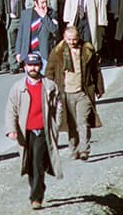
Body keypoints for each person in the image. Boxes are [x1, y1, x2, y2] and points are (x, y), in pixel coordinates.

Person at [4, 52, 63, 210]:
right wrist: (11, 129)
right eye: (30, 65)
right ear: (24, 67)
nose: (33, 68)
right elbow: (11, 110)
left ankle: (35, 198)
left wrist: (56, 125)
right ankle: (38, 188)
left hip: (42, 130)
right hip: (25, 132)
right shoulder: (18, 88)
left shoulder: (49, 85)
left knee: (37, 162)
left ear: (40, 66)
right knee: (30, 164)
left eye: (36, 65)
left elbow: (58, 106)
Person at [45, 26, 104, 161]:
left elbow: (96, 70)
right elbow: (49, 72)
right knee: (71, 123)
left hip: (83, 92)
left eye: (74, 39)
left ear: (78, 38)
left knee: (82, 122)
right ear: (64, 38)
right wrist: (49, 89)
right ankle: (73, 148)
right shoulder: (57, 52)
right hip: (65, 93)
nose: (72, 42)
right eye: (69, 39)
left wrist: (99, 88)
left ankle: (84, 149)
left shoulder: (87, 50)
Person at [15, 0, 60, 71]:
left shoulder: (51, 13)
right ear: (35, 3)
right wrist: (18, 52)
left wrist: (44, 17)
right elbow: (21, 34)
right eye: (42, 2)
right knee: (31, 76)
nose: (45, 5)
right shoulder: (26, 14)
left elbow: (54, 29)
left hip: (44, 51)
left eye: (46, 2)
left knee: (44, 76)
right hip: (29, 51)